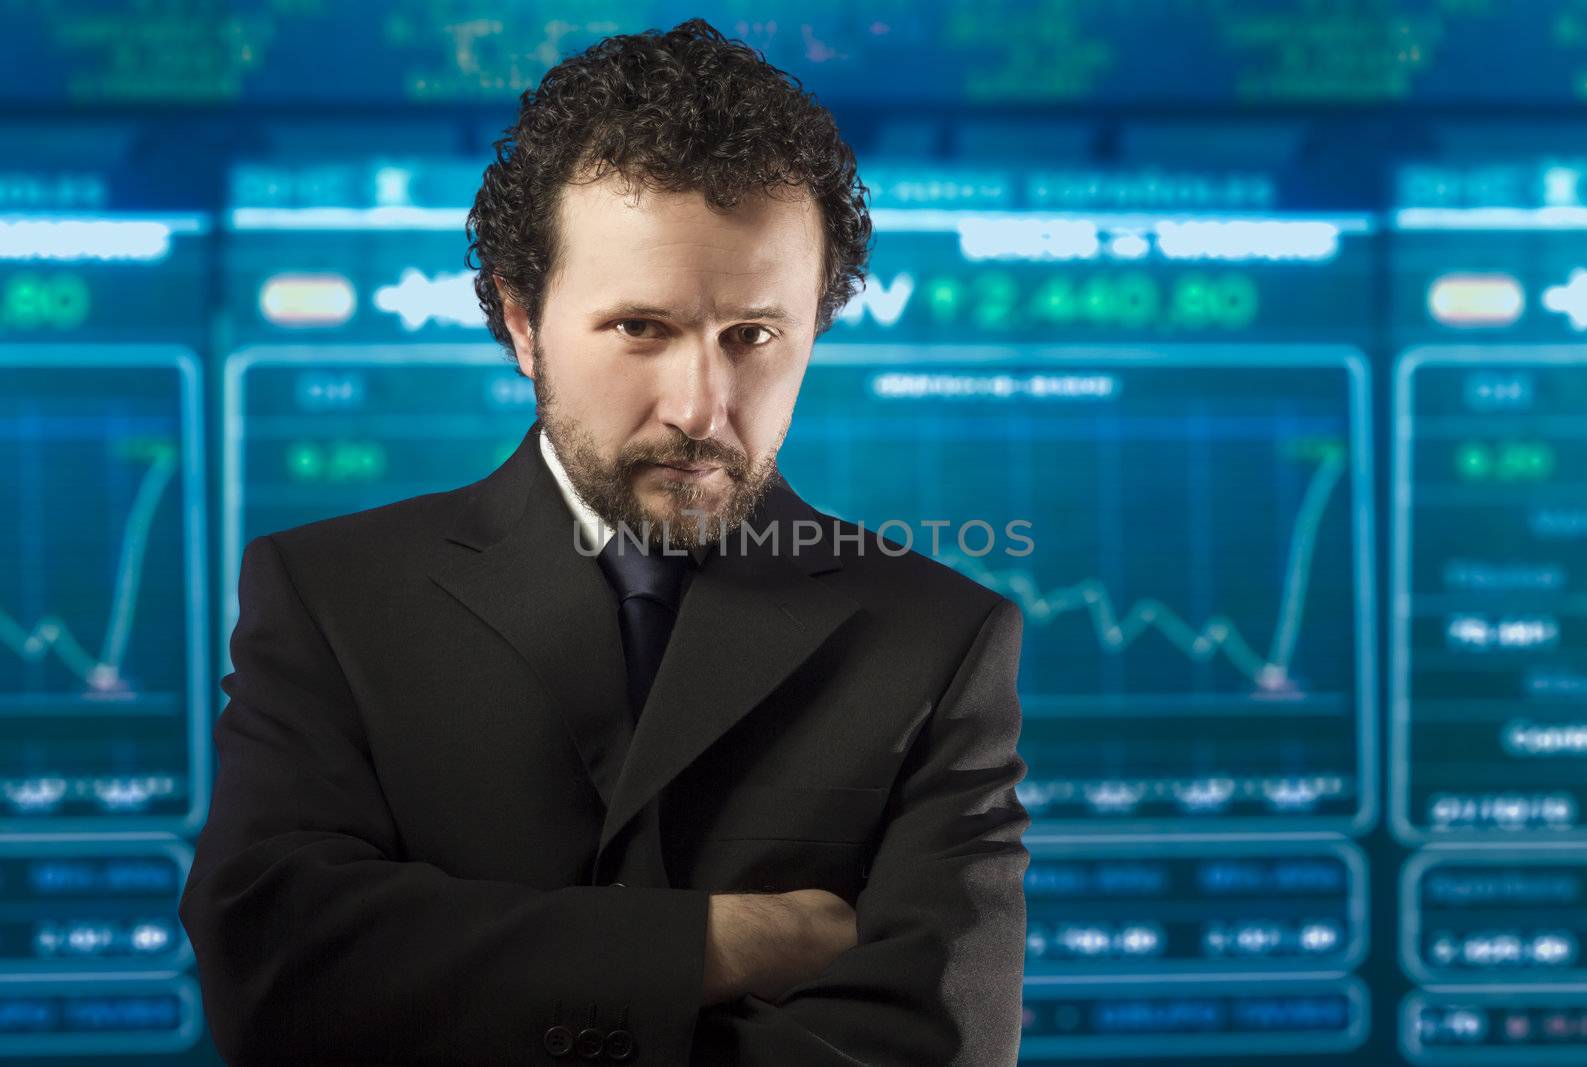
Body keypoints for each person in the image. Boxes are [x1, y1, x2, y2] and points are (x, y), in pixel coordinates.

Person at [180, 17, 1030, 1066]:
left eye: (753, 336)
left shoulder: (940, 638)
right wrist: (719, 942)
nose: (700, 405)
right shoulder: (331, 596)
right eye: (641, 328)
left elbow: (935, 1042)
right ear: (521, 319)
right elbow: (277, 971)